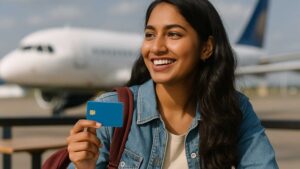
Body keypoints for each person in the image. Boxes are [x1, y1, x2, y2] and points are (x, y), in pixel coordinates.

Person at [67, 0, 279, 168]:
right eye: (150, 35)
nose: (156, 47)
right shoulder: (108, 106)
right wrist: (84, 167)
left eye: (173, 34)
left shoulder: (233, 107)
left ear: (206, 48)